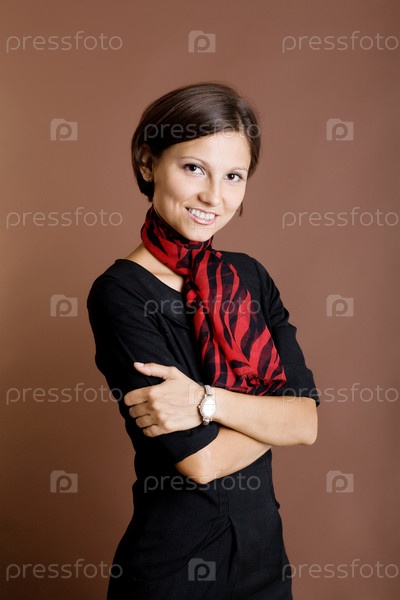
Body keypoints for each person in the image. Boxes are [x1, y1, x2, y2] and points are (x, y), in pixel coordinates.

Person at [87, 82, 319, 600]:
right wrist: (274, 415)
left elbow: (307, 424)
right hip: (173, 569)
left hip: (263, 561)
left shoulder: (249, 277)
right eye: (195, 168)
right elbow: (202, 461)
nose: (215, 197)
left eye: (233, 176)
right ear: (148, 163)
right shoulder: (120, 292)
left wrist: (204, 401)